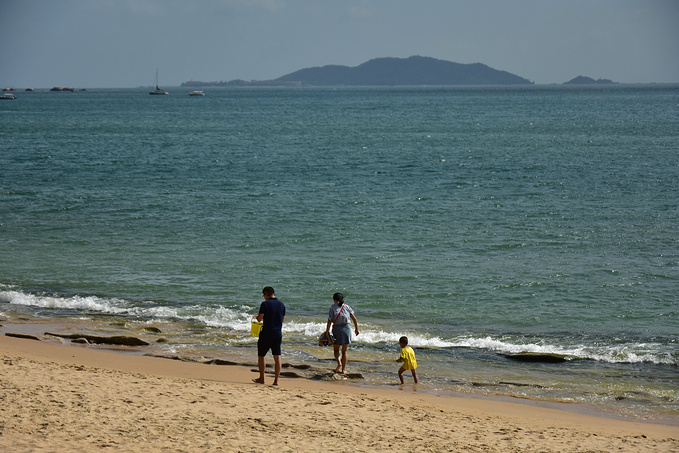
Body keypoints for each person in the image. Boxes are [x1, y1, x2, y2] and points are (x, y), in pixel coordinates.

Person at [253, 286, 285, 385]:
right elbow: (282, 319)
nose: (264, 297)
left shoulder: (265, 304)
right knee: (277, 357)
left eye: (264, 295)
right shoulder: (282, 305)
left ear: (266, 294)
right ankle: (276, 380)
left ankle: (262, 378)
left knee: (261, 356)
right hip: (277, 333)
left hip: (266, 333)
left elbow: (259, 319)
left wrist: (257, 317)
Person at [325, 292, 359, 374]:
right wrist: (356, 329)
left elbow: (329, 321)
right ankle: (343, 370)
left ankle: (339, 363)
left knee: (336, 350)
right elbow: (354, 319)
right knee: (345, 351)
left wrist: (327, 332)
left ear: (334, 299)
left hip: (337, 329)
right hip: (347, 329)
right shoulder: (347, 307)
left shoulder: (332, 308)